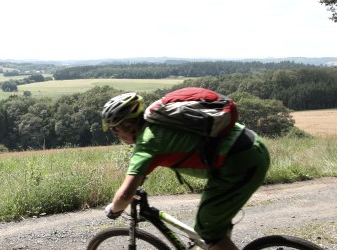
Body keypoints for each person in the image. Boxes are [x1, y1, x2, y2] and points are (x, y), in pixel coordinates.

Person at [100, 92, 270, 250]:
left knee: (208, 229)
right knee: (215, 226)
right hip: (252, 144)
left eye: (115, 129)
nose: (116, 134)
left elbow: (123, 196)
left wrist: (113, 210)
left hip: (239, 163)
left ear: (129, 126)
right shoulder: (161, 120)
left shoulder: (147, 144)